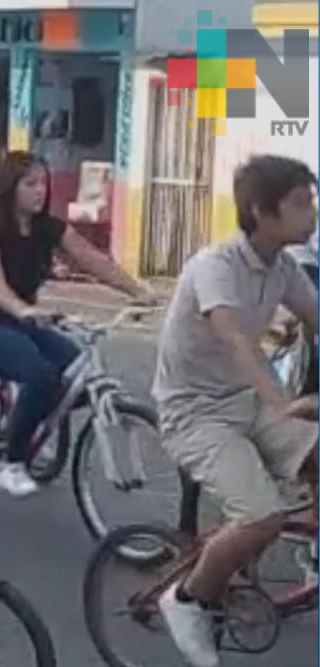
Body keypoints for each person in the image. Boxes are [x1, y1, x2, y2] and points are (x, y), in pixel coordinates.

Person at [153, 155, 319, 667]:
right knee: (262, 516)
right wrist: (286, 405)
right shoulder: (215, 266)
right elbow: (239, 343)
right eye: (299, 202)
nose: (312, 212)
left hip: (245, 403)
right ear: (260, 211)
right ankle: (186, 600)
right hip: (194, 412)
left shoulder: (283, 267)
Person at [0, 152, 154, 498]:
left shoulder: (47, 227)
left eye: (43, 183)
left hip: (23, 323)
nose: (40, 191)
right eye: (30, 183)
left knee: (76, 367)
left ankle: (27, 418)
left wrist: (138, 292)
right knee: (40, 375)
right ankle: (11, 461)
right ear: (9, 188)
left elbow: (92, 259)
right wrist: (23, 310)